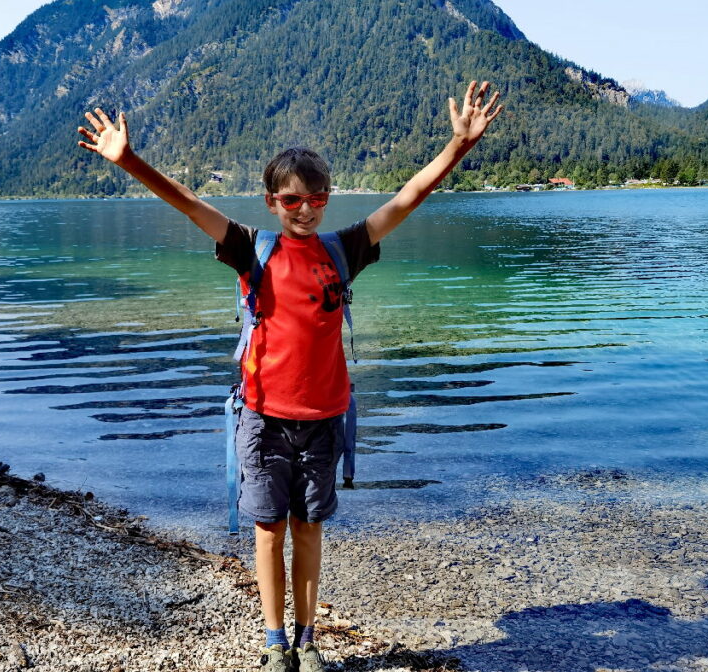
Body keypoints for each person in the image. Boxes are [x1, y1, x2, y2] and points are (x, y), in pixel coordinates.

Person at [77, 81, 502, 672]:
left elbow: (408, 197)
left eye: (316, 197)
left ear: (327, 197)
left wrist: (457, 149)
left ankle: (307, 636)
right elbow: (188, 203)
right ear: (272, 201)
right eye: (291, 200)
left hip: (325, 419)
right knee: (269, 531)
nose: (305, 209)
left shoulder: (343, 249)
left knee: (310, 531)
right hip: (264, 418)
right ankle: (275, 642)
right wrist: (129, 162)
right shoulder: (252, 249)